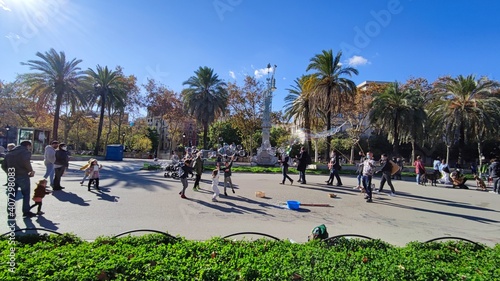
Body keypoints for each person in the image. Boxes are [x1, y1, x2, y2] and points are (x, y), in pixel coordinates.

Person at [1, 140, 37, 218]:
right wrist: (30, 170)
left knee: (11, 195)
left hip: (11, 176)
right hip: (23, 175)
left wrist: (9, 172)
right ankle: (26, 211)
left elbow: (3, 166)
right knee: (26, 194)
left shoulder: (9, 153)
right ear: (27, 145)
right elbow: (26, 161)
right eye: (30, 146)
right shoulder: (25, 152)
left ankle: (11, 213)